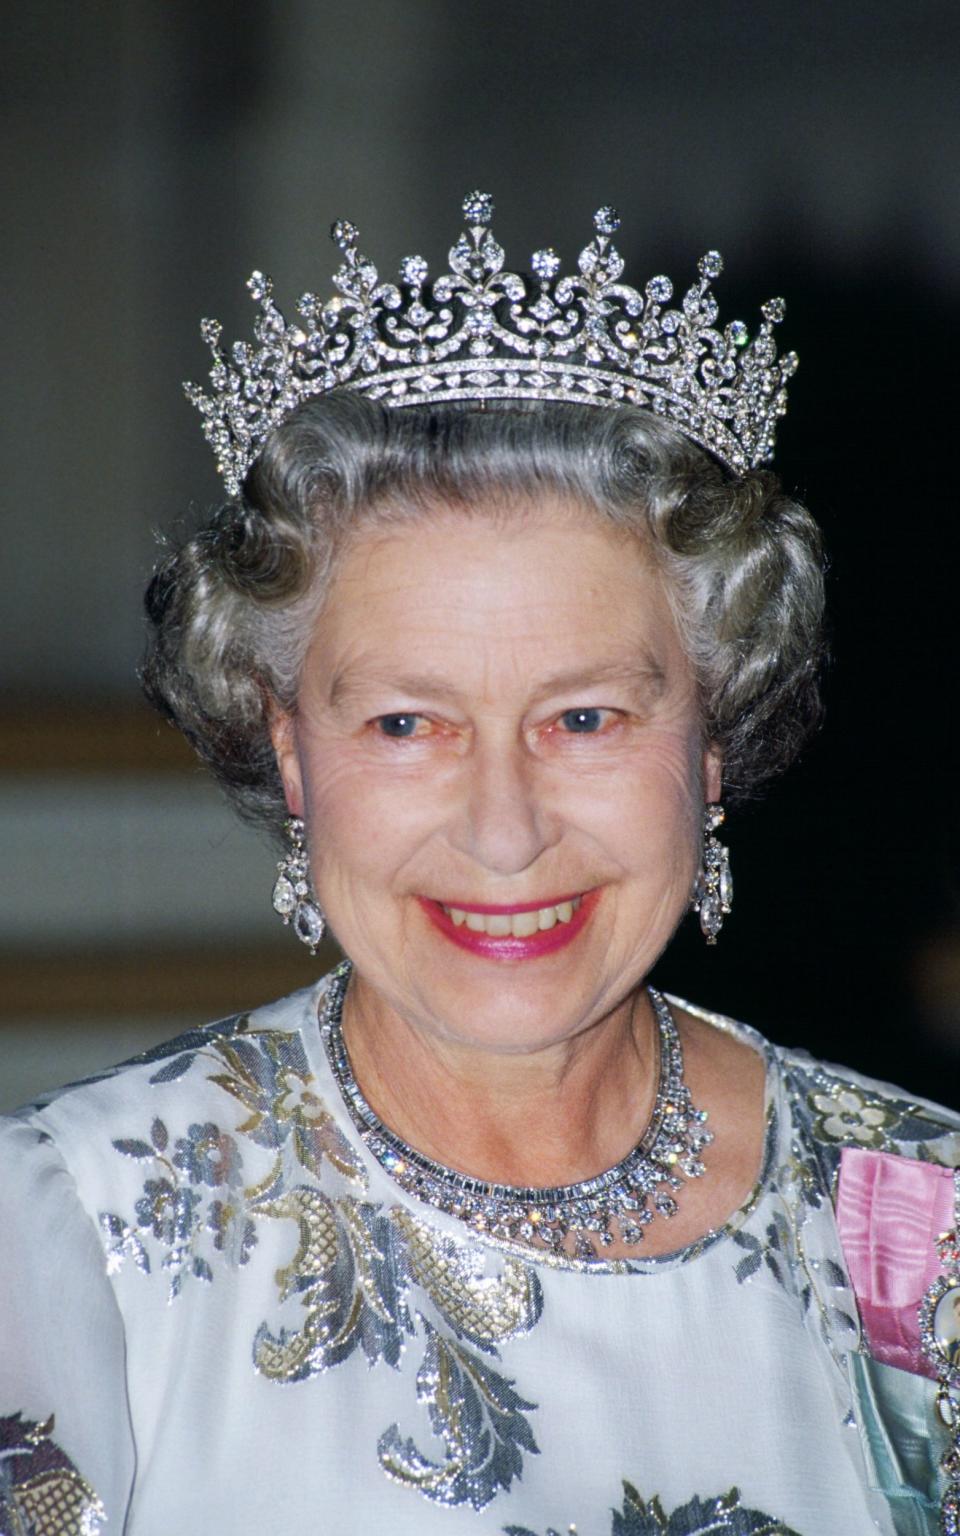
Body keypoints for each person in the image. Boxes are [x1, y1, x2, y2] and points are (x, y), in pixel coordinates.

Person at [1, 192, 957, 1536]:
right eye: (406, 723)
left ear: (711, 744)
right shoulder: (69, 1245)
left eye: (585, 719)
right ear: (291, 753)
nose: (505, 833)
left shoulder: (921, 1229)